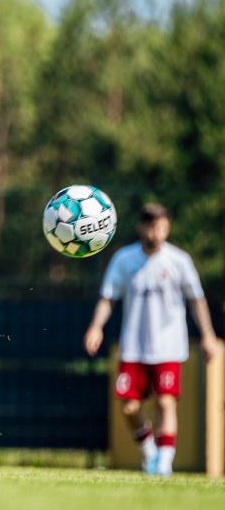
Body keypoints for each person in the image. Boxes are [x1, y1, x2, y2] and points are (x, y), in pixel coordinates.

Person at [84, 202, 219, 476]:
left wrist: (207, 335)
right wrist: (96, 327)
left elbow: (196, 300)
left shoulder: (179, 260)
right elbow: (108, 298)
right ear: (142, 227)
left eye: (163, 228)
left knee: (165, 402)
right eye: (154, 227)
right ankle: (149, 452)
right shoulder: (124, 259)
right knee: (129, 406)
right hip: (134, 346)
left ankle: (164, 463)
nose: (158, 234)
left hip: (168, 345)